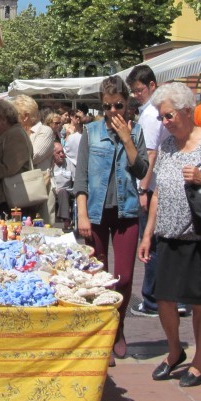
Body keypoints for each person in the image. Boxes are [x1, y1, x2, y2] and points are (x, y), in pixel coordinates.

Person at [139, 82, 201, 388]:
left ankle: (198, 361)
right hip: (168, 234)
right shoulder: (166, 146)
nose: (164, 122)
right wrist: (147, 233)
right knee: (164, 298)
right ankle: (174, 350)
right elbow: (157, 193)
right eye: (161, 117)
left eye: (168, 116)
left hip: (200, 235)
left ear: (186, 111)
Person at [73, 75, 148, 363]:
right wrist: (82, 214)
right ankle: (103, 334)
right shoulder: (91, 133)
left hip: (127, 211)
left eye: (118, 105)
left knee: (125, 277)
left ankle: (118, 326)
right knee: (99, 277)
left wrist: (127, 140)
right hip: (95, 213)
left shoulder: (137, 132)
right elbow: (81, 178)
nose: (114, 112)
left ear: (127, 103)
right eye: (108, 107)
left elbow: (141, 170)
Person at [127, 64, 171, 319]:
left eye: (139, 90)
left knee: (150, 243)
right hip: (155, 185)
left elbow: (151, 152)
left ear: (152, 86)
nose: (135, 95)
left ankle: (152, 299)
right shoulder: (152, 111)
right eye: (133, 91)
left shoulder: (152, 113)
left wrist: (143, 187)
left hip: (153, 187)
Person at [13, 95, 57, 224]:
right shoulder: (17, 132)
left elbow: (33, 156)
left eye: (16, 115)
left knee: (43, 229)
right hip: (22, 189)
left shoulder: (45, 131)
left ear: (25, 116)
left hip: (42, 188)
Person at [51, 140, 74, 230]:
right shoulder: (50, 165)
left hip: (68, 191)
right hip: (54, 191)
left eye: (62, 152)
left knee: (63, 192)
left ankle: (66, 221)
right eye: (58, 152)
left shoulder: (69, 163)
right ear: (52, 154)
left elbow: (75, 179)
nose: (61, 155)